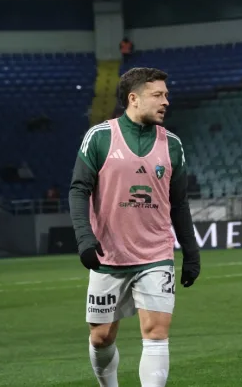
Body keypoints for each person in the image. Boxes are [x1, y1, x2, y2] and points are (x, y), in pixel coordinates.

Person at [69, 67, 201, 387]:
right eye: (158, 95)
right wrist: (85, 238)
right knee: (101, 337)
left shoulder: (172, 145)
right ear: (134, 98)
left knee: (156, 332)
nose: (166, 101)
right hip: (108, 255)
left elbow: (179, 204)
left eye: (166, 95)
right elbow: (78, 190)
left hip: (156, 254)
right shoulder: (100, 137)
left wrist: (191, 252)